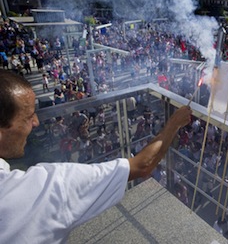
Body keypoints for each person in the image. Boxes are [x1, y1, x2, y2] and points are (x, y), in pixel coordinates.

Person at [0, 70, 192, 243]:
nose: (36, 122)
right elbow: (142, 165)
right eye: (27, 117)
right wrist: (174, 123)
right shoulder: (50, 187)